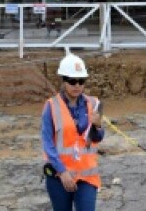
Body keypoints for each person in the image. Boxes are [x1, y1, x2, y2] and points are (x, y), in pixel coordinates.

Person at [41, 52, 103, 211]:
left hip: (87, 175)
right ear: (63, 80)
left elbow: (97, 138)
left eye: (81, 81)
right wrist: (62, 172)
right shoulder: (51, 106)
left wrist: (98, 126)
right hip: (59, 176)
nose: (77, 85)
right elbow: (48, 144)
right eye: (72, 81)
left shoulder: (93, 103)